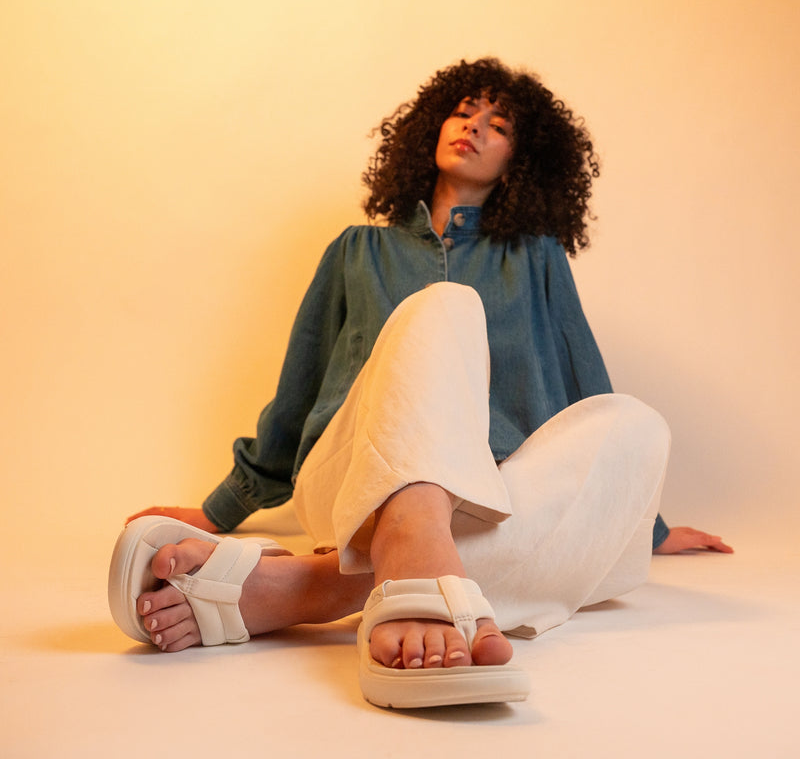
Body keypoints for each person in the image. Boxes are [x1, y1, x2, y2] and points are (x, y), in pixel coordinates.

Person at [112, 58, 732, 708]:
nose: (475, 127)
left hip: (501, 492)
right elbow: (296, 398)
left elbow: (587, 387)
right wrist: (219, 509)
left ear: (519, 160)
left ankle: (316, 585)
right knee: (446, 306)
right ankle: (405, 536)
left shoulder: (538, 258)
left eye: (499, 125)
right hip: (358, 484)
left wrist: (644, 521)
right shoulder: (357, 251)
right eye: (464, 112)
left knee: (638, 425)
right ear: (431, 130)